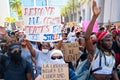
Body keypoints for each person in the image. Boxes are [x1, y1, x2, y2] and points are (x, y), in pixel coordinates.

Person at [84, 0, 119, 80]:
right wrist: (94, 17)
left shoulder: (112, 53)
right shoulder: (95, 52)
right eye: (107, 40)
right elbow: (86, 37)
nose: (110, 43)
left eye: (111, 40)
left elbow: (113, 70)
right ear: (100, 41)